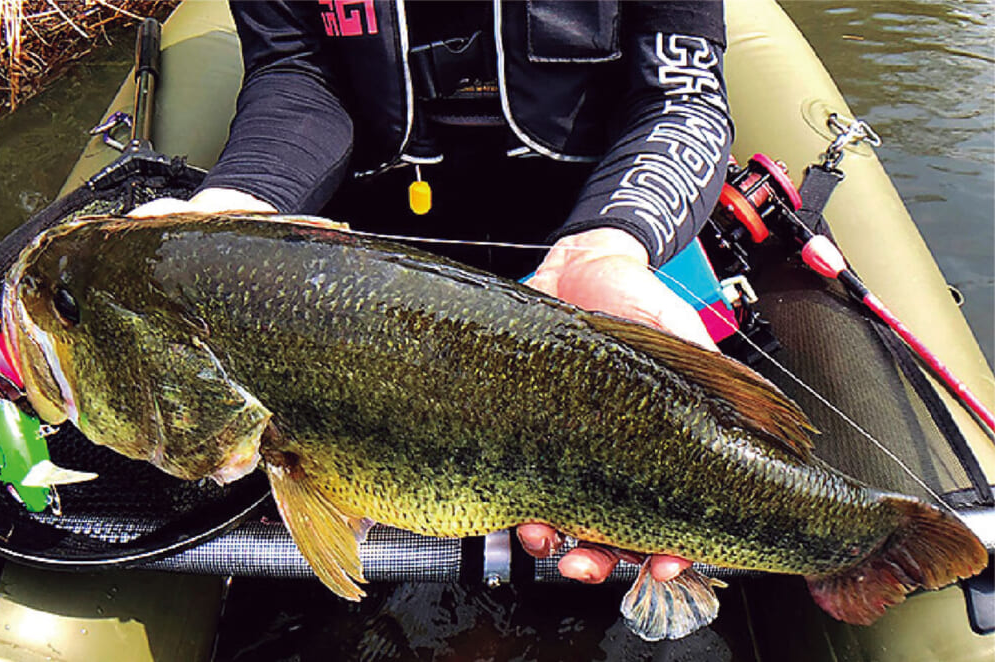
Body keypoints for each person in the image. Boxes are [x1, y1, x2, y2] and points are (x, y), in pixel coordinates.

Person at [131, 0, 732, 587]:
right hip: (373, 247)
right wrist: (235, 206)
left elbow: (679, 97)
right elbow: (296, 71)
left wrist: (610, 243)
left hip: (593, 216)